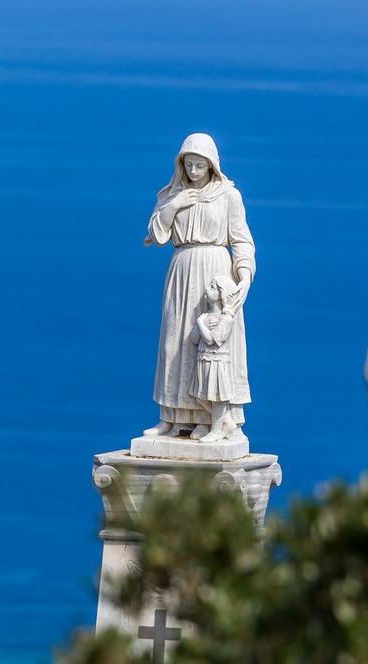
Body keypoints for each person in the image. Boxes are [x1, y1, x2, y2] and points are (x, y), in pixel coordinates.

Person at [142, 133, 254, 439]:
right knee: (174, 343)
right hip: (182, 269)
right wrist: (174, 204)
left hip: (216, 272)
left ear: (212, 165)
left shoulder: (229, 196)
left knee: (212, 348)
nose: (193, 171)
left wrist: (243, 276)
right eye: (188, 164)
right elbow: (156, 233)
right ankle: (172, 415)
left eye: (199, 165)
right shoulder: (173, 194)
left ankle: (213, 417)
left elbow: (242, 240)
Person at [193, 274, 243, 442]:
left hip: (217, 362)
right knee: (200, 397)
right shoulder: (205, 316)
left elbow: (211, 339)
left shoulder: (227, 318)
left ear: (221, 294)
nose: (207, 289)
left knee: (217, 398)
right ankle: (227, 422)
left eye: (212, 287)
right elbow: (194, 339)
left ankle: (216, 430)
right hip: (204, 361)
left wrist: (200, 324)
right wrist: (202, 323)